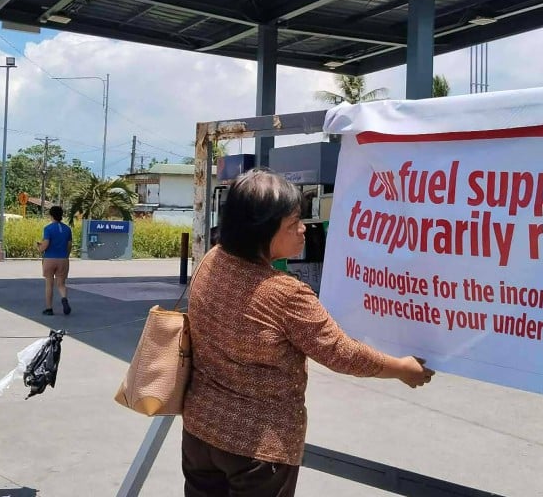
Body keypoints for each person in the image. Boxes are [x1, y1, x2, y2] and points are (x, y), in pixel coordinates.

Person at [182, 169, 435, 497]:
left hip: (199, 433)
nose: (304, 230)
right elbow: (342, 353)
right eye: (293, 224)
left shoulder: (212, 260)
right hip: (257, 451)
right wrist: (401, 368)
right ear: (261, 232)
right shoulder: (284, 293)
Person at [37, 205, 73, 316]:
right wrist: (65, 255)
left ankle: (49, 309)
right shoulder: (67, 229)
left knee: (49, 284)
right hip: (63, 259)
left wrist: (39, 247)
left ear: (51, 215)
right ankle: (64, 299)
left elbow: (45, 245)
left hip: (49, 259)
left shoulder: (48, 228)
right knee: (61, 284)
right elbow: (69, 245)